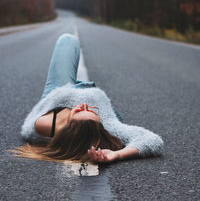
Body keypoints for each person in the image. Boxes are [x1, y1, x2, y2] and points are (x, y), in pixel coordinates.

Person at [8, 33, 164, 163]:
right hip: (95, 96)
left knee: (67, 40)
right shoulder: (109, 124)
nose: (83, 105)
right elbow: (153, 140)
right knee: (116, 128)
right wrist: (117, 154)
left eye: (78, 111)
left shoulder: (45, 125)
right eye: (91, 111)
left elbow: (27, 129)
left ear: (67, 129)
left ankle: (76, 92)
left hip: (60, 91)